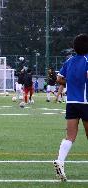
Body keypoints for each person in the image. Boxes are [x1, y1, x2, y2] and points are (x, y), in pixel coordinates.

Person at [53, 34, 88, 181]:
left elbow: (59, 78)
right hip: (86, 102)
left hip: (71, 102)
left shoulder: (69, 61)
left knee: (70, 136)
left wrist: (71, 82)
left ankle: (60, 161)